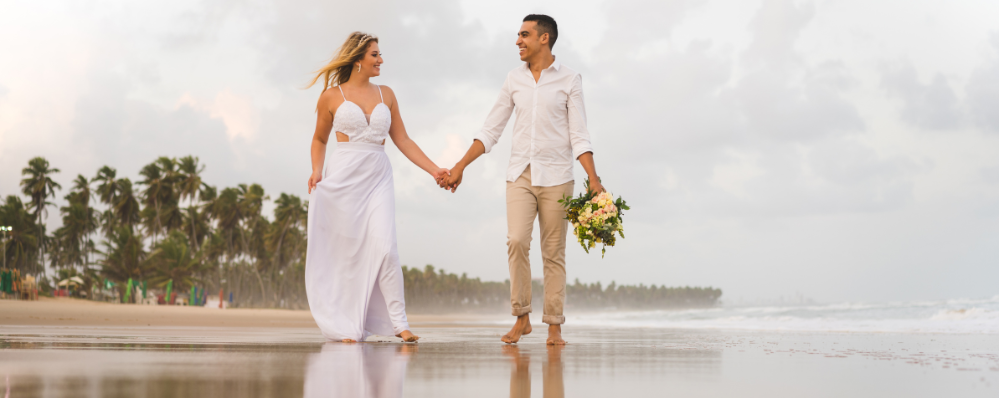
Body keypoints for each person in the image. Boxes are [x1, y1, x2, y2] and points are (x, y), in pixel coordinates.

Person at [439, 15, 605, 345]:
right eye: (518, 34)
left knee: (554, 252)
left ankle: (554, 326)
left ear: (545, 38)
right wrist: (460, 166)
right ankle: (522, 317)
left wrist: (594, 180)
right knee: (516, 241)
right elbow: (491, 129)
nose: (518, 40)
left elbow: (579, 134)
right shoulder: (513, 79)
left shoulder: (570, 79)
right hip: (519, 175)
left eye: (524, 35)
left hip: (558, 177)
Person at [306, 32, 448, 343]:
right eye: (375, 55)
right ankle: (346, 325)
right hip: (343, 177)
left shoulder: (387, 94)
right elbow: (319, 139)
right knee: (347, 254)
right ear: (358, 59)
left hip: (378, 176)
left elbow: (403, 140)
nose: (381, 60)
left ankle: (400, 323)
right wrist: (317, 171)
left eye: (380, 54)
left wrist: (434, 169)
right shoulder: (331, 96)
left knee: (386, 248)